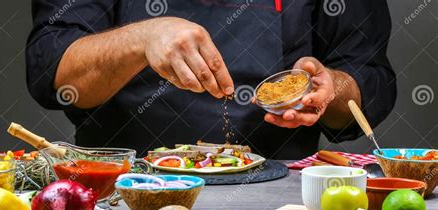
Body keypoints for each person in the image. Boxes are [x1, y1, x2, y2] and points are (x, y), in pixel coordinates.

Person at [26, 0, 396, 159]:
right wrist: (141, 39)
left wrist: (331, 88)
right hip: (124, 193)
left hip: (279, 203)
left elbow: (366, 75)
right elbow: (53, 71)